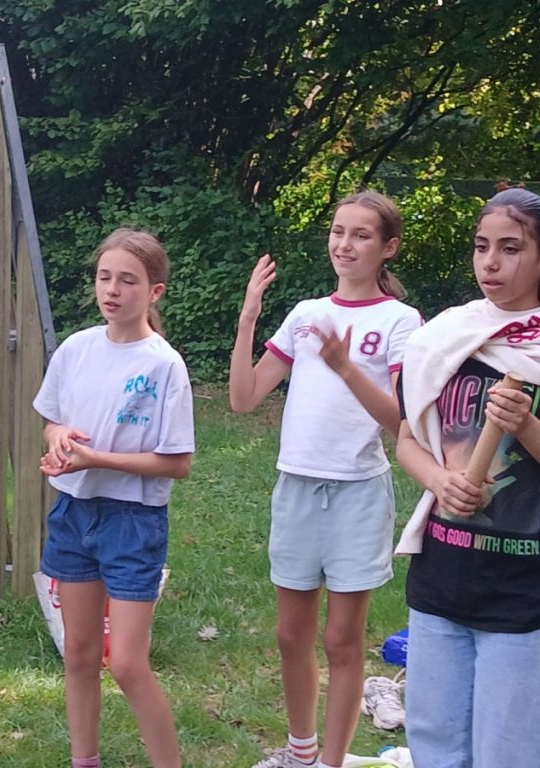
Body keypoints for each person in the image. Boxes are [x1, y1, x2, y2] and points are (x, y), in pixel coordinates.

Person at [229, 191, 420, 768]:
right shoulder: (307, 313)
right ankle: (301, 752)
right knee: (291, 636)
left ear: (388, 247)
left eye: (361, 235)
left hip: (357, 492)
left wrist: (344, 367)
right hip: (296, 487)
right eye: (339, 231)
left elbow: (402, 422)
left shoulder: (400, 320)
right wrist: (248, 317)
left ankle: (331, 763)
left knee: (340, 640)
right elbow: (243, 398)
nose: (345, 244)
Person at [34, 228, 194, 768]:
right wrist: (59, 439)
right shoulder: (76, 349)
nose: (112, 290)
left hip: (133, 522)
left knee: (125, 662)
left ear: (154, 291)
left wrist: (96, 460)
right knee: (79, 653)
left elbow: (177, 463)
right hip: (72, 514)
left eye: (128, 280)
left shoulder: (164, 364)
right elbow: (53, 419)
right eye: (105, 277)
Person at [395, 187, 540, 768]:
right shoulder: (445, 337)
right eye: (482, 247)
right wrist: (438, 480)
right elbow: (407, 439)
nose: (491, 262)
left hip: (524, 591)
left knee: (507, 751)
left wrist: (526, 426)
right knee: (434, 743)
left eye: (511, 248)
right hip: (442, 576)